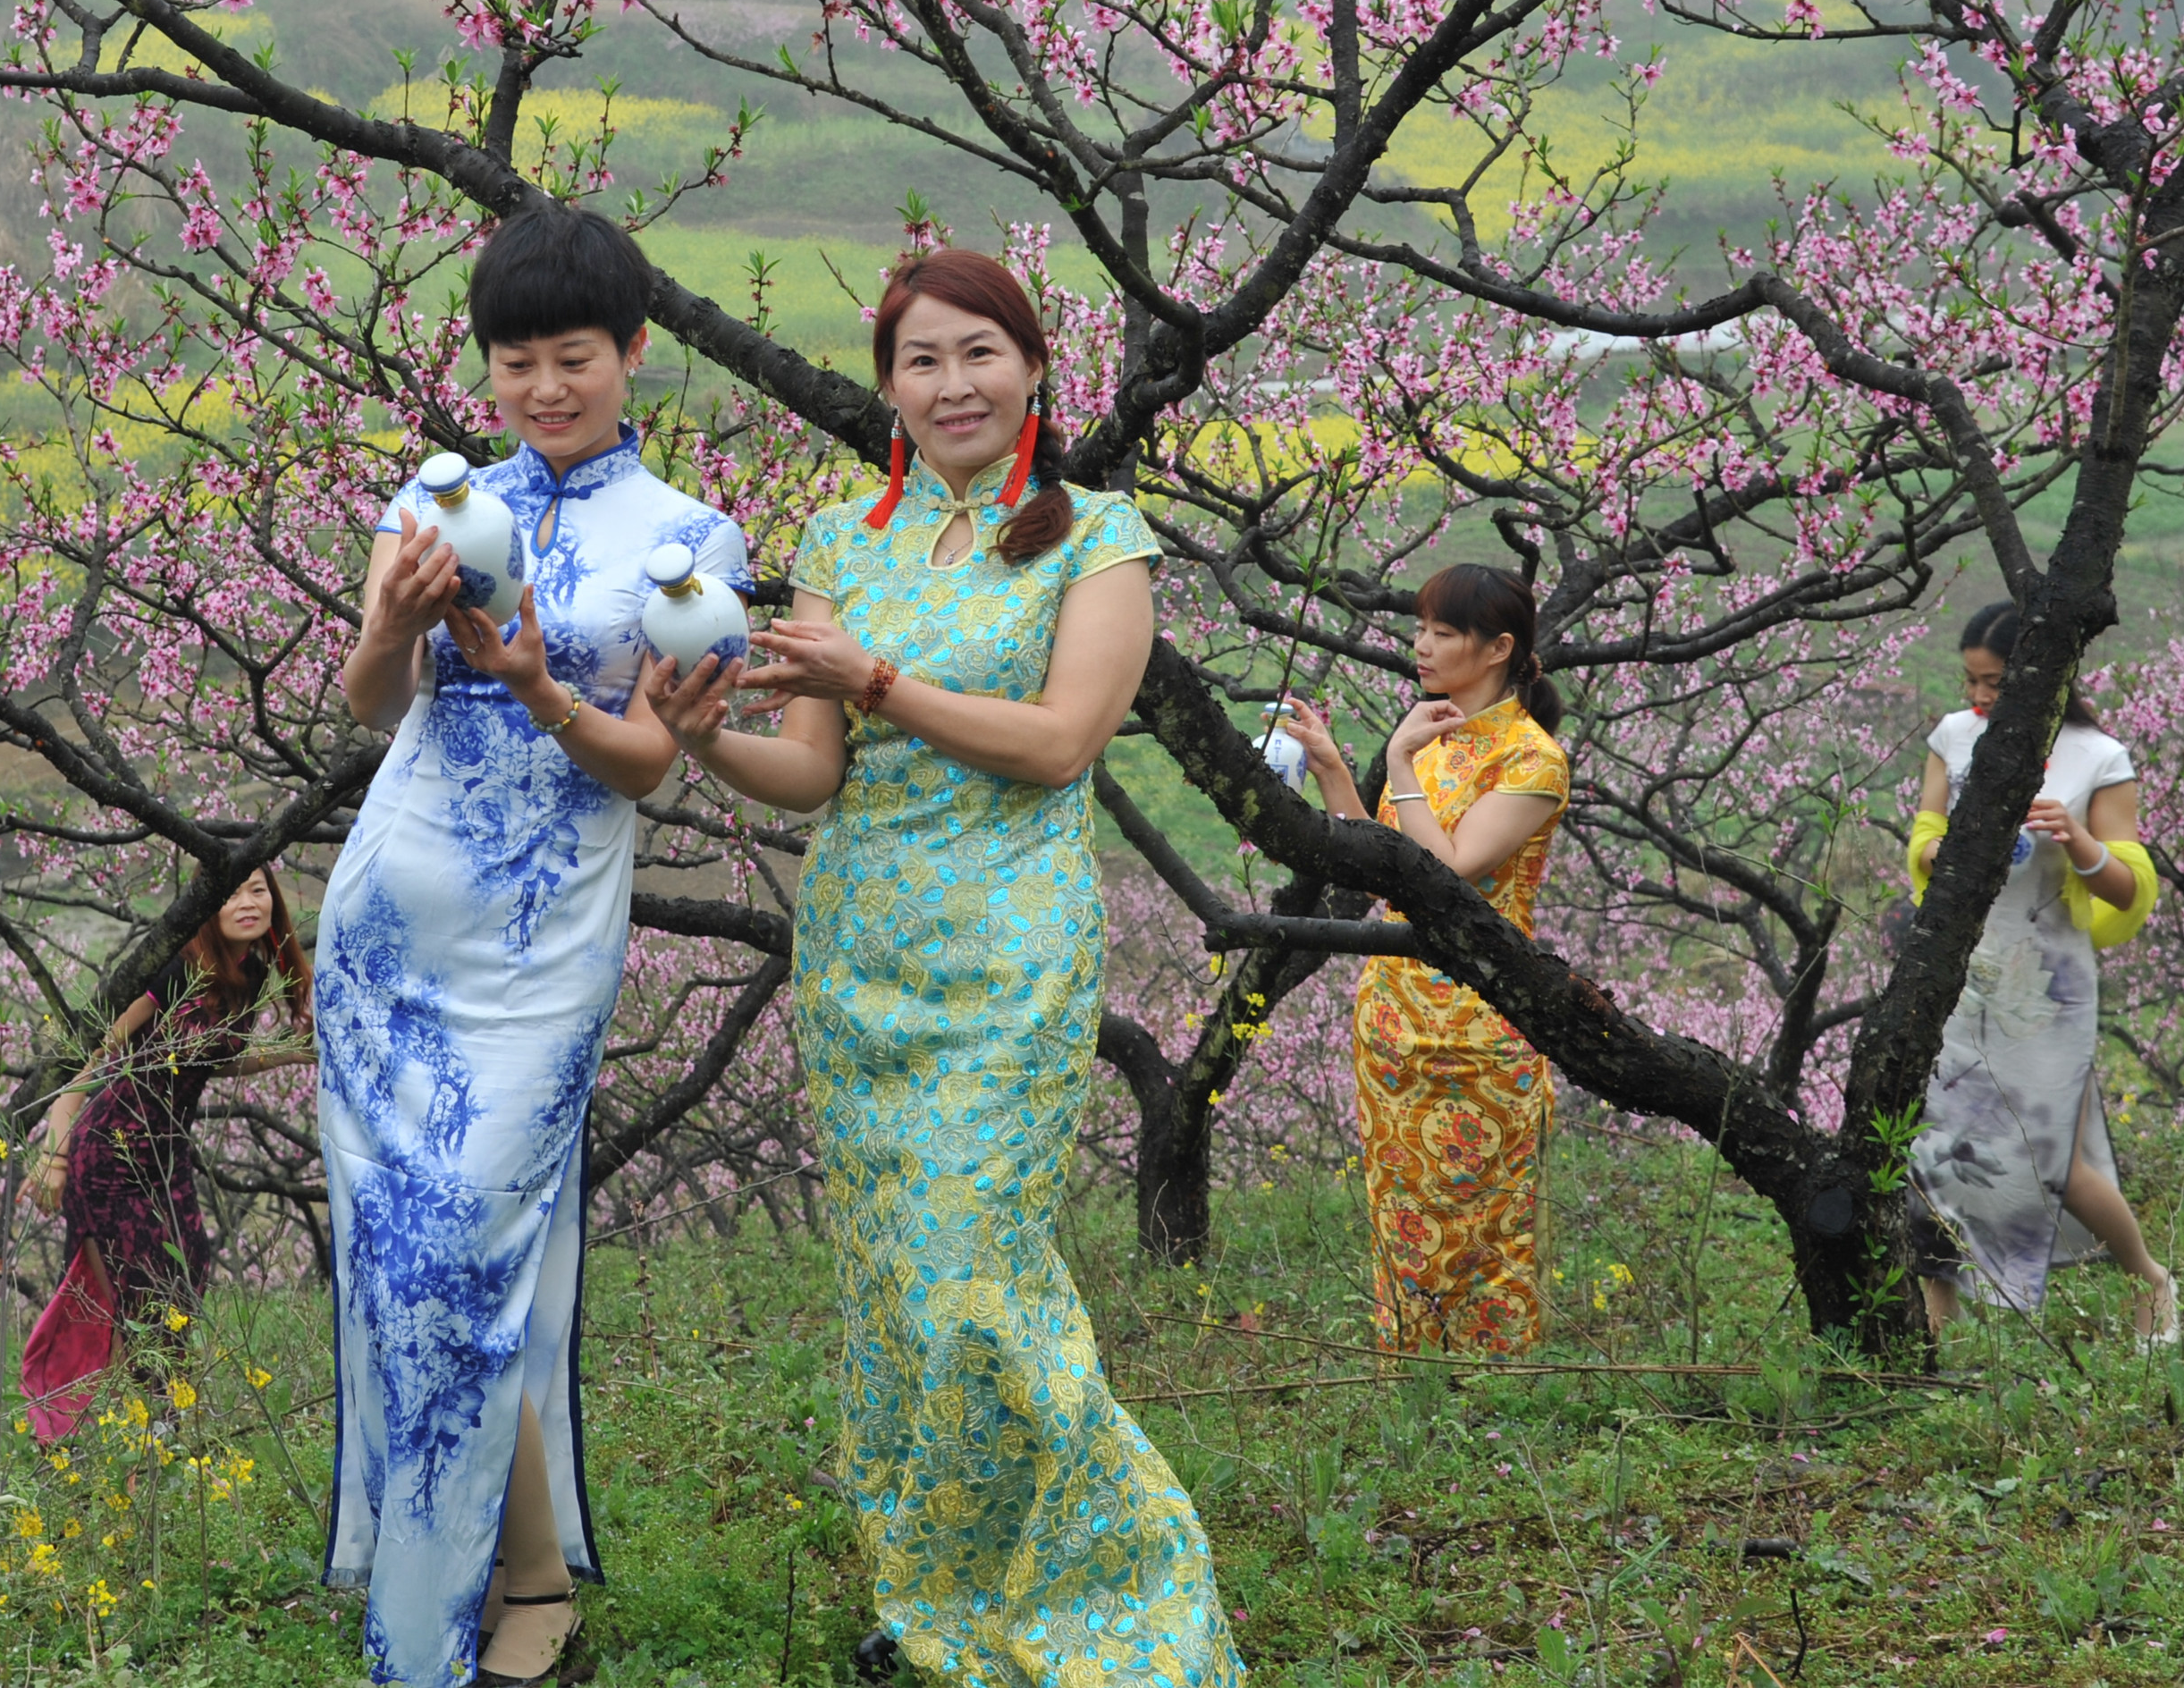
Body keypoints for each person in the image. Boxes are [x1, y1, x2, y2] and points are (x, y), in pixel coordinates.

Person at [643, 247, 1243, 1687]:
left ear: (1033, 365)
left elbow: (1059, 746)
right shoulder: (841, 540)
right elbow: (812, 778)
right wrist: (700, 730)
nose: (953, 382)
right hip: (858, 958)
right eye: (922, 360)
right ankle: (937, 1606)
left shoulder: (1098, 536)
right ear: (890, 388)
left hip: (1007, 957)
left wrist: (880, 681)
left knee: (981, 1277)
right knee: (902, 1293)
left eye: (980, 351)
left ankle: (1130, 1607)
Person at [315, 202, 746, 1688]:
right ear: (486, 367)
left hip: (545, 941)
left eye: (575, 358)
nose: (546, 389)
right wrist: (393, 624)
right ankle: (524, 1568)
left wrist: (542, 685)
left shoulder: (690, 540)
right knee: (406, 1268)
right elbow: (371, 705)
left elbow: (647, 768)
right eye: (518, 363)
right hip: (388, 926)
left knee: (467, 1254)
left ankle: (438, 1631)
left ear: (634, 354)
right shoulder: (433, 502)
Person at [1280, 563, 1568, 1355]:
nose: (1422, 646)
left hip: (1485, 1021)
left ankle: (1494, 1396)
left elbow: (1446, 875)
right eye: (1420, 629)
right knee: (1400, 1214)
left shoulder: (1533, 760)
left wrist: (1399, 761)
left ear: (1499, 648)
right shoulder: (1431, 740)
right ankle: (1409, 1380)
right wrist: (1337, 766)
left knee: (1486, 1220)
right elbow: (1378, 867)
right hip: (1393, 1016)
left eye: (1444, 632)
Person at [1904, 603, 2179, 1342]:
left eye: (1994, 681)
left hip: (2048, 987)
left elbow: (2129, 884)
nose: (1980, 697)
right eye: (1971, 680)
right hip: (1963, 971)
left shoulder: (2099, 755)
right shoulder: (1954, 737)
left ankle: (2151, 1279)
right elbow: (1924, 839)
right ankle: (1938, 1319)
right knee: (1940, 1150)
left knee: (2055, 1155)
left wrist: (2079, 839)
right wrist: (1956, 845)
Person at [25, 865, 311, 1429]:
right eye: (231, 893)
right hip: (109, 1154)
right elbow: (97, 1052)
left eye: (258, 890)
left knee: (189, 1272)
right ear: (207, 905)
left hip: (166, 1157)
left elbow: (212, 1057)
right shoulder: (178, 967)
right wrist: (54, 1150)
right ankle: (140, 1430)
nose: (247, 902)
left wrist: (288, 1053)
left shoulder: (250, 974)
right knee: (141, 1297)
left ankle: (153, 1425)